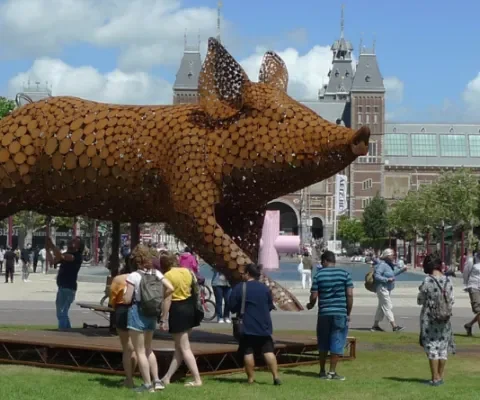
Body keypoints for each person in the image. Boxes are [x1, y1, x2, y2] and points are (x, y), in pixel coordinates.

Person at [123, 245, 173, 393]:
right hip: (152, 313)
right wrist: (159, 298)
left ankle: (146, 384)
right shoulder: (157, 273)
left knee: (139, 351)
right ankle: (157, 380)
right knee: (148, 349)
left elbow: (127, 300)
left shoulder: (133, 276)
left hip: (137, 312)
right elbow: (170, 288)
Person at [230, 263, 281, 386]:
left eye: (244, 273)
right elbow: (269, 306)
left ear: (248, 274)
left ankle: (251, 379)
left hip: (247, 325)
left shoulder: (240, 287)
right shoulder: (264, 288)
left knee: (248, 352)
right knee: (268, 351)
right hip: (264, 324)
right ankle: (276, 377)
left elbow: (232, 306)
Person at [306, 250, 353, 380]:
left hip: (324, 313)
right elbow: (349, 294)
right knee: (337, 340)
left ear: (325, 261)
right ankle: (332, 372)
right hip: (340, 312)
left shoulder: (318, 275)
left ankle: (322, 371)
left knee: (323, 341)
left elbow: (314, 296)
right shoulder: (345, 274)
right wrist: (348, 312)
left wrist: (310, 305)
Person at [158, 253, 203, 388]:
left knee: (184, 347)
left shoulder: (167, 276)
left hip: (177, 310)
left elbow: (167, 299)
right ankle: (167, 377)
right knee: (179, 348)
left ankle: (197, 379)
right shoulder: (187, 271)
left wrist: (163, 318)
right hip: (190, 308)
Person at [418, 255, 455, 386]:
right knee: (443, 347)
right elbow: (452, 300)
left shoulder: (427, 281)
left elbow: (420, 300)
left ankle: (434, 378)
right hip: (445, 318)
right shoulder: (448, 281)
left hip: (430, 318)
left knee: (432, 347)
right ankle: (440, 376)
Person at [109, 259, 138, 388]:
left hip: (122, 309)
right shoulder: (140, 277)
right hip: (137, 310)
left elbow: (112, 299)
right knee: (136, 348)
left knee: (126, 348)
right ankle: (134, 375)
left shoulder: (119, 279)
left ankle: (129, 379)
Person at [46, 236, 84, 329]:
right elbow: (53, 261)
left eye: (75, 242)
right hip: (63, 286)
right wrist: (48, 250)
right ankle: (67, 331)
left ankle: (63, 332)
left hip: (68, 287)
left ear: (78, 246)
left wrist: (52, 245)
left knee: (62, 313)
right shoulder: (67, 254)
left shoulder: (77, 256)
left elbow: (61, 256)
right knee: (62, 313)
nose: (71, 242)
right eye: (72, 240)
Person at [371, 248, 407, 332]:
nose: (394, 256)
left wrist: (402, 270)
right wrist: (387, 280)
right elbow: (377, 275)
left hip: (387, 288)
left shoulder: (388, 265)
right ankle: (394, 326)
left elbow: (392, 274)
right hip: (382, 288)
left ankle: (375, 326)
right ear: (387, 256)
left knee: (381, 307)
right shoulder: (382, 265)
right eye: (392, 255)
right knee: (388, 306)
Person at [463, 252, 480, 336]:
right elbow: (466, 273)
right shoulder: (471, 260)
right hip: (474, 286)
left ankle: (469, 325)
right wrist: (466, 285)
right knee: (478, 310)